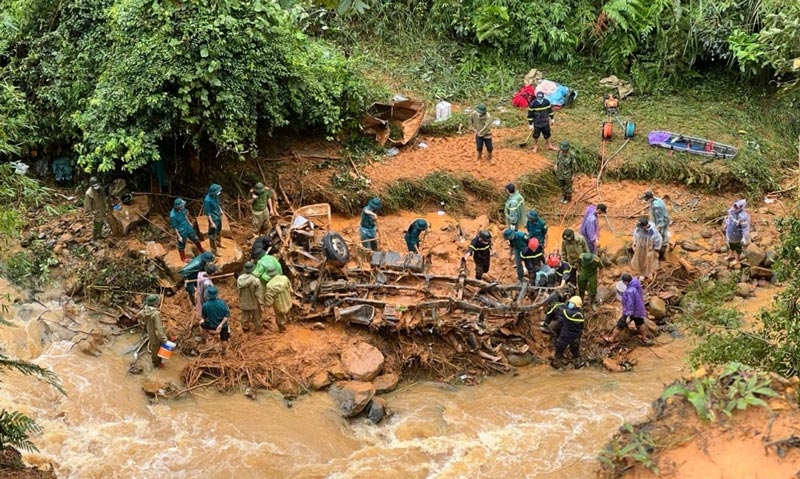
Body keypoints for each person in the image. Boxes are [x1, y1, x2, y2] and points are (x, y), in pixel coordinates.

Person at [602, 273, 648, 344]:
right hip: (638, 308)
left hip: (632, 311)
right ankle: (644, 338)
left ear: (626, 282)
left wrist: (628, 315)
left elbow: (630, 304)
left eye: (623, 281)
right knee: (640, 323)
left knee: (620, 324)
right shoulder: (636, 282)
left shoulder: (629, 291)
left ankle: (612, 338)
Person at [552, 296, 586, 369]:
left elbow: (559, 310)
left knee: (559, 349)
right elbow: (582, 327)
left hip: (565, 336)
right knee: (575, 350)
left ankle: (557, 364)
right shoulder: (581, 314)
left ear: (575, 305)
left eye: (571, 303)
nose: (569, 304)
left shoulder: (568, 313)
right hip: (576, 336)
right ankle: (578, 363)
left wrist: (556, 305)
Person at [136, 294, 169, 368]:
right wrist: (165, 340)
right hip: (157, 336)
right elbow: (159, 330)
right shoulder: (155, 314)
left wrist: (142, 322)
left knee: (154, 349)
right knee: (158, 350)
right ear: (155, 303)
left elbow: (138, 315)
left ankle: (155, 363)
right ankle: (157, 364)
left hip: (150, 334)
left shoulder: (144, 310)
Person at [170, 197, 205, 263]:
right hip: (181, 230)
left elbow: (185, 216)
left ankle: (201, 249)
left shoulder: (183, 209)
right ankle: (183, 258)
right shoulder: (173, 215)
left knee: (195, 238)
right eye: (181, 206)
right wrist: (179, 236)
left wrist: (189, 223)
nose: (183, 207)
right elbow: (175, 227)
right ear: (177, 207)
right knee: (182, 244)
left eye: (183, 205)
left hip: (187, 226)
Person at [200, 285, 230, 356]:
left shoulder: (205, 305)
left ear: (207, 295)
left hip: (211, 326)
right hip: (223, 326)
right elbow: (227, 315)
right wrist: (221, 324)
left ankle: (204, 337)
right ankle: (224, 352)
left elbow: (204, 316)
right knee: (224, 339)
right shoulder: (222, 303)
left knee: (201, 323)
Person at [237, 261, 264, 334]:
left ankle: (245, 328)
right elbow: (259, 294)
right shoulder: (256, 280)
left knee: (244, 317)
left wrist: (241, 299)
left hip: (244, 301)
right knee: (256, 318)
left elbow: (239, 291)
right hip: (254, 302)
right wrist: (261, 304)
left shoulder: (239, 278)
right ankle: (259, 330)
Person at [643, 191, 670, 260]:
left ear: (649, 198)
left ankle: (661, 253)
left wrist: (658, 228)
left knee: (661, 236)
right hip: (663, 219)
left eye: (646, 199)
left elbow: (659, 219)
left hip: (662, 222)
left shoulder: (656, 206)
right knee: (662, 234)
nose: (645, 200)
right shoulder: (657, 199)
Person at [724, 199, 751, 264]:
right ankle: (731, 254)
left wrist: (744, 237)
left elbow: (745, 228)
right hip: (730, 232)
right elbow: (729, 219)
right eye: (735, 206)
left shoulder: (742, 216)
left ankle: (737, 260)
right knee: (730, 245)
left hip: (737, 235)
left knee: (738, 248)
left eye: (737, 207)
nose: (735, 208)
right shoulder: (732, 211)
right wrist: (726, 224)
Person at [204, 183, 224, 256]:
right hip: (213, 218)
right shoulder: (207, 200)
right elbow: (207, 213)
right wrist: (212, 223)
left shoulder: (215, 196)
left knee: (219, 230)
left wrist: (220, 210)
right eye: (218, 191)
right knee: (212, 234)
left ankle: (218, 243)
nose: (219, 192)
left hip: (218, 216)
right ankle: (214, 250)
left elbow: (217, 204)